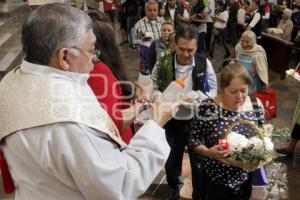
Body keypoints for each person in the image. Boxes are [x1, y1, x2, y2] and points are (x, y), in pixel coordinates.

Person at [0, 3, 173, 199]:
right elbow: (120, 185)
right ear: (65, 57)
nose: (95, 58)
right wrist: (156, 123)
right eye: (91, 50)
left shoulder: (10, 82)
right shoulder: (71, 123)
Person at [151, 25, 217, 200]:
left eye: (191, 50)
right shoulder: (163, 61)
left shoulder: (204, 62)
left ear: (196, 47)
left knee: (199, 159)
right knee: (172, 157)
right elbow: (154, 87)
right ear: (174, 44)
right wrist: (160, 97)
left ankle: (199, 193)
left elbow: (213, 91)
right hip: (172, 118)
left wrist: (198, 98)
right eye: (182, 49)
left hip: (196, 119)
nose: (187, 55)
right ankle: (174, 187)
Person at [188, 62, 266, 199]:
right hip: (215, 181)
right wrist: (208, 152)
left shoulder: (256, 105)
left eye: (243, 90)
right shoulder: (208, 107)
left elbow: (262, 135)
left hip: (244, 180)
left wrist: (259, 152)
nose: (239, 96)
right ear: (222, 88)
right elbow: (193, 139)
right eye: (233, 91)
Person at [87, 10, 144, 144]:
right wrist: (142, 103)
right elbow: (113, 123)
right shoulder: (98, 71)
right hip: (117, 144)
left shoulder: (104, 67)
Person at [131, 0, 164, 71]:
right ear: (145, 11)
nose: (152, 13)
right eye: (150, 10)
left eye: (155, 10)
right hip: (147, 61)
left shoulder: (162, 22)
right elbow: (133, 42)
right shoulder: (138, 25)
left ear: (158, 11)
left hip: (163, 59)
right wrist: (142, 41)